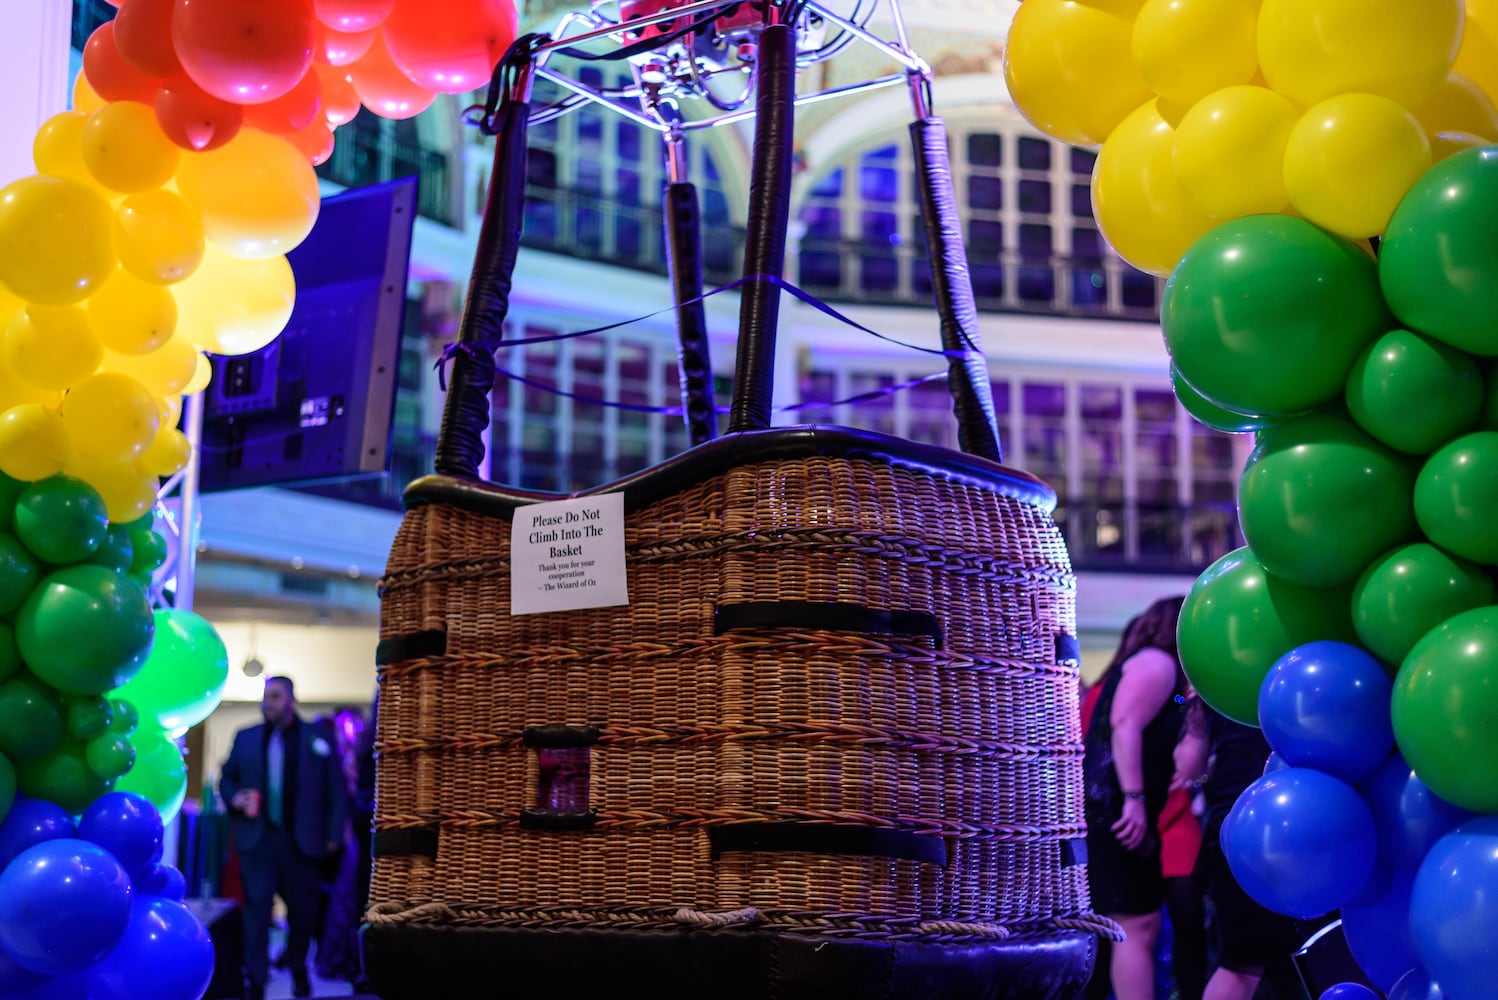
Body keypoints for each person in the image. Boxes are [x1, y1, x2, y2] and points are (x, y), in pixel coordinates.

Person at [1082, 596, 1189, 1000]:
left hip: (1108, 806)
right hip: (1116, 808)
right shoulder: (1158, 663)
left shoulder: (1146, 664)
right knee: (1135, 924)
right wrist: (1134, 799)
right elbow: (1125, 726)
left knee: (1122, 924)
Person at [1174, 698, 1312, 1000]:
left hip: (1234, 827)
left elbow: (1187, 767)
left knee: (1242, 964)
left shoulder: (1215, 688)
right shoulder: (1298, 684)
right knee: (1313, 953)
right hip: (1301, 820)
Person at [220, 676, 348, 1000]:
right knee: (257, 914)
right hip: (259, 841)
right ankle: (258, 980)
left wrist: (333, 834)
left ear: (292, 700)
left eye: (275, 696)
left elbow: (336, 789)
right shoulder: (245, 737)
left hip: (302, 842)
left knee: (303, 914)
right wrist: (235, 798)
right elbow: (227, 779)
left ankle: (298, 967)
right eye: (265, 696)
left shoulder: (318, 737)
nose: (268, 703)